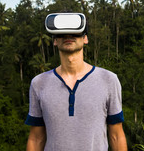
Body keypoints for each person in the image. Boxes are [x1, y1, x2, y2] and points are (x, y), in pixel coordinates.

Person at [25, 13, 127, 151]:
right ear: (55, 40)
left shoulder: (108, 80)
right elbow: (36, 138)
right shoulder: (39, 83)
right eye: (62, 33)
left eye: (75, 32)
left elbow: (116, 135)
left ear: (85, 38)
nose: (68, 36)